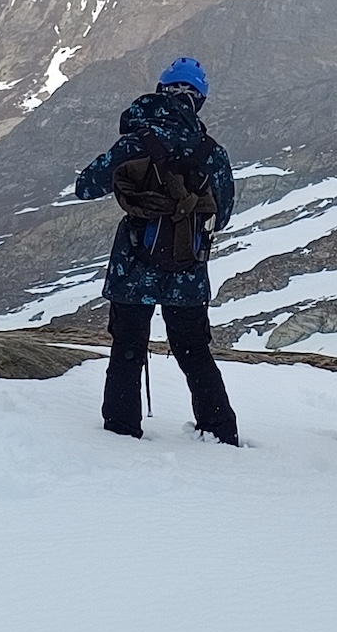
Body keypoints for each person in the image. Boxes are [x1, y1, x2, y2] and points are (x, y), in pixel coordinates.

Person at [75, 56, 239, 444]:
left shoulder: (137, 142)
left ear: (162, 91)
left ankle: (121, 432)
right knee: (194, 350)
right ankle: (219, 432)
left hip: (133, 267)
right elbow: (223, 214)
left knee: (127, 349)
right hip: (187, 269)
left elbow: (86, 186)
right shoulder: (212, 153)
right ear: (199, 99)